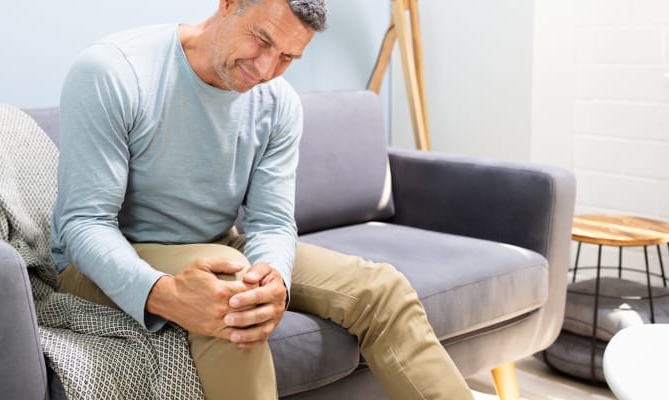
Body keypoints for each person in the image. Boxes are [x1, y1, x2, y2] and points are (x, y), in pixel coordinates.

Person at [50, 0, 474, 398]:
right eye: (263, 40)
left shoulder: (279, 103)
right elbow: (85, 223)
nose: (267, 68)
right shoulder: (113, 71)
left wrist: (275, 280)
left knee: (383, 291)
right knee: (236, 305)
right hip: (109, 255)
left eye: (288, 57)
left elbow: (271, 222)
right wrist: (162, 293)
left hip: (216, 244)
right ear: (229, 4)